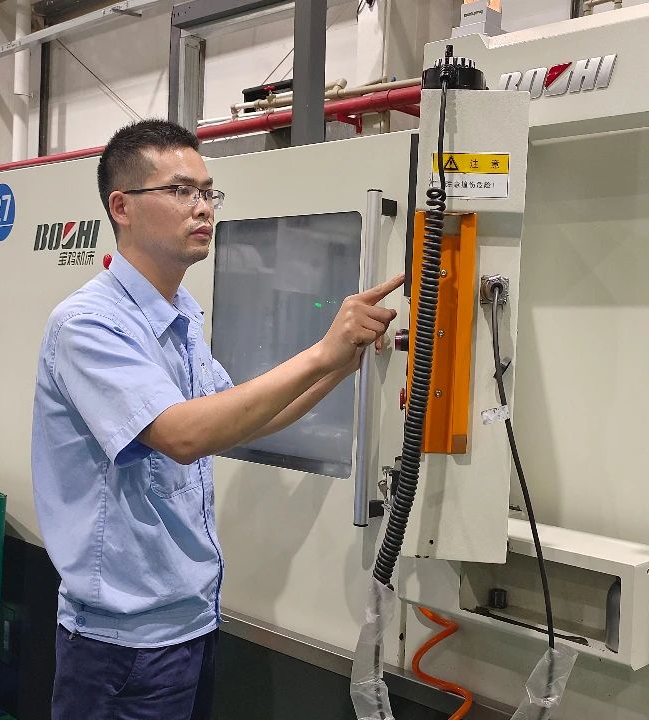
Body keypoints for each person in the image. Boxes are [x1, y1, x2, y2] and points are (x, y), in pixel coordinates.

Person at [30, 119, 404, 720]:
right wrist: (321, 353)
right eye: (181, 191)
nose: (202, 207)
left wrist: (344, 362)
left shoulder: (180, 316)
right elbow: (183, 434)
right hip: (121, 646)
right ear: (122, 207)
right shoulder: (88, 324)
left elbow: (248, 420)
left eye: (207, 192)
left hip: (191, 623)